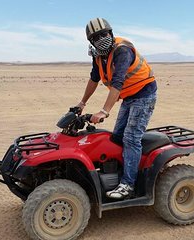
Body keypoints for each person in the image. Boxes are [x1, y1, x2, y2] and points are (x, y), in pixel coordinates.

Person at [76, 18, 157, 199]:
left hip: (144, 95)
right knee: (117, 136)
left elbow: (118, 82)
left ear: (111, 33)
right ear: (91, 41)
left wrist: (104, 111)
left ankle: (128, 184)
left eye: (105, 34)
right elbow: (94, 79)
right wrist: (82, 103)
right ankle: (120, 172)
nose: (103, 38)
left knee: (131, 138)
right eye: (97, 37)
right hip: (128, 97)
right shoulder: (98, 56)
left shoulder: (122, 50)